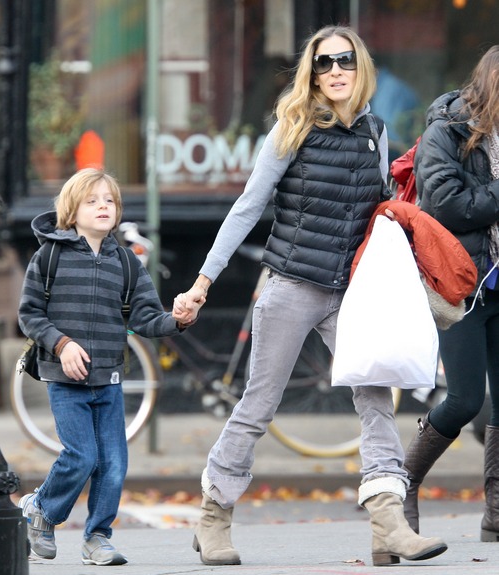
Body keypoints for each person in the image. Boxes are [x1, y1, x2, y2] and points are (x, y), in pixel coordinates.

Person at [173, 25, 447, 567]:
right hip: (291, 285)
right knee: (258, 404)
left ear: (360, 67)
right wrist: (202, 281)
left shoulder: (375, 130)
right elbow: (248, 206)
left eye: (345, 60)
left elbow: (377, 208)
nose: (336, 70)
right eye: (324, 63)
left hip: (350, 292)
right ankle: (213, 517)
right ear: (312, 73)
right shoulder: (291, 127)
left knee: (376, 398)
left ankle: (388, 523)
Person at [17, 168, 202, 565]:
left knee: (114, 463)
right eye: (92, 200)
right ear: (71, 209)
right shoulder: (49, 256)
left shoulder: (126, 262)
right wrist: (62, 344)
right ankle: (42, 510)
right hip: (64, 378)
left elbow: (146, 318)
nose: (104, 206)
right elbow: (29, 315)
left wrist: (179, 319)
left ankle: (97, 536)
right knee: (81, 456)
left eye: (110, 200)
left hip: (109, 378)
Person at [404, 45, 499, 541]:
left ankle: (497, 513)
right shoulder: (447, 131)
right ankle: (404, 485)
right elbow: (448, 205)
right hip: (462, 284)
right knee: (464, 399)